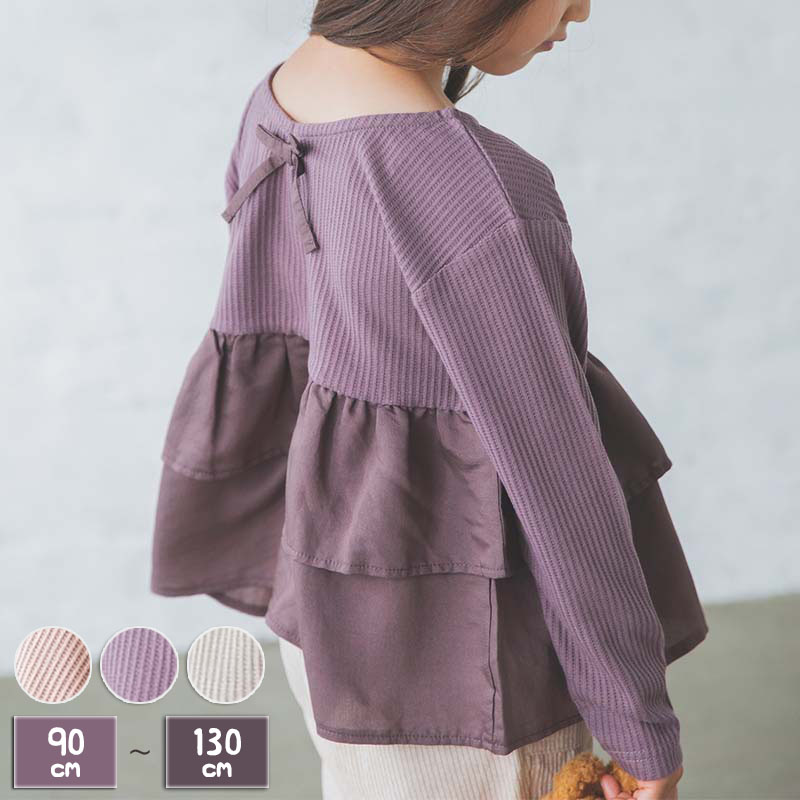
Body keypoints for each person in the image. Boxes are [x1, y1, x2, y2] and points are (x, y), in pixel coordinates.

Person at [150, 1, 709, 798]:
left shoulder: (282, 100)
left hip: (331, 623)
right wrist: (639, 728)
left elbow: (273, 361)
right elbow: (560, 486)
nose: (583, 9)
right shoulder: (474, 192)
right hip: (476, 669)